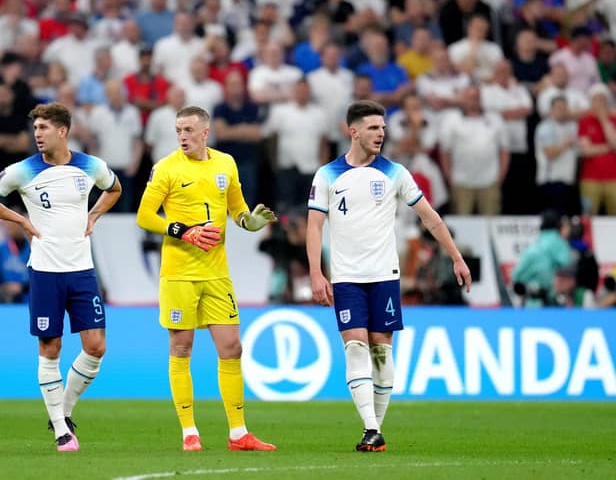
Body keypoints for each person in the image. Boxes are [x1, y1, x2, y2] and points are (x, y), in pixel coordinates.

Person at [306, 100, 471, 452]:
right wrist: (316, 273)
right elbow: (315, 226)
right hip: (347, 276)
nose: (381, 133)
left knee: (381, 354)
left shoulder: (396, 173)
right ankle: (370, 427)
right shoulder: (327, 175)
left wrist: (456, 257)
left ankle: (374, 431)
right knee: (354, 347)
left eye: (382, 128)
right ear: (353, 131)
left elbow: (431, 218)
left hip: (384, 276)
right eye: (372, 128)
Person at [136, 105, 277, 452]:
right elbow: (144, 215)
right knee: (181, 348)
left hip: (216, 274)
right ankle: (189, 432)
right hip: (180, 274)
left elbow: (237, 210)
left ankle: (238, 433)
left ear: (204, 133)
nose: (182, 136)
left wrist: (250, 222)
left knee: (232, 348)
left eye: (188, 130)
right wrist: (183, 232)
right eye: (178, 130)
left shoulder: (225, 164)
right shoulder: (166, 168)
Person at [0, 102, 122, 451]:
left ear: (62, 131)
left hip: (82, 270)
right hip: (45, 271)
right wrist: (21, 220)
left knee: (96, 347)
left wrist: (95, 215)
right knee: (50, 347)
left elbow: (113, 189)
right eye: (35, 128)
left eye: (43, 128)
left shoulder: (90, 165)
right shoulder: (22, 171)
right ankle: (60, 431)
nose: (37, 134)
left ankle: (62, 412)